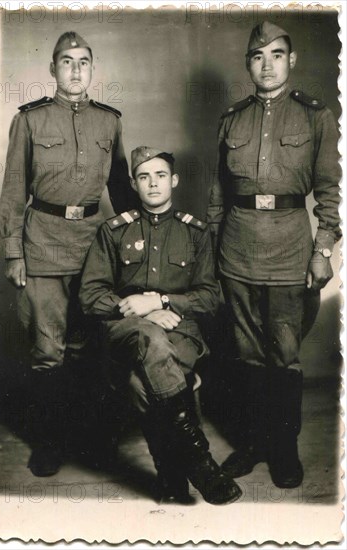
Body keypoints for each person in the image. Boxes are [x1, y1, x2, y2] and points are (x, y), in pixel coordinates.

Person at [207, 21, 341, 488]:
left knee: (282, 355)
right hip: (237, 247)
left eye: (277, 55)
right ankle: (251, 443)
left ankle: (284, 449)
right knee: (244, 353)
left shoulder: (314, 116)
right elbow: (218, 196)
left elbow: (329, 192)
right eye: (258, 56)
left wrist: (322, 250)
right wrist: (213, 252)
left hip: (289, 246)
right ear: (248, 64)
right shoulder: (232, 118)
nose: (267, 65)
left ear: (292, 61)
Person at [0, 31, 135, 477]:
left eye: (84, 62)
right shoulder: (31, 120)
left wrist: (141, 243)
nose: (76, 70)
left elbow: (121, 189)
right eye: (67, 62)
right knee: (46, 350)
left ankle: (84, 438)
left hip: (93, 246)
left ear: (92, 69)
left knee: (88, 347)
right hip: (42, 245)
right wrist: (13, 253)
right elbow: (14, 191)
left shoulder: (110, 121)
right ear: (53, 69)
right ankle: (48, 443)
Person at [79, 145, 242, 505]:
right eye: (144, 177)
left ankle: (171, 479)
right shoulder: (114, 231)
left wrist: (163, 301)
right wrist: (141, 312)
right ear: (134, 185)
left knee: (141, 384)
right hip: (127, 329)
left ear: (174, 181)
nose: (153, 184)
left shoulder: (196, 233)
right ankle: (202, 463)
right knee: (150, 337)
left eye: (160, 175)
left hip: (181, 331)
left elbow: (210, 297)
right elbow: (90, 296)